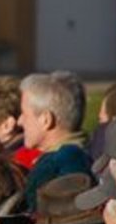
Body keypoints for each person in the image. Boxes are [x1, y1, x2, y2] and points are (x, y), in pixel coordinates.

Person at [17, 71, 91, 210]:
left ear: (46, 120)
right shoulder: (96, 156)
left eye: (24, 114)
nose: (19, 121)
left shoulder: (51, 169)